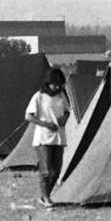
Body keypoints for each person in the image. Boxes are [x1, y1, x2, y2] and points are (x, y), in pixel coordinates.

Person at [24, 67, 71, 209]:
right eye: (54, 84)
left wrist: (64, 118)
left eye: (59, 84)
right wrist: (45, 124)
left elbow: (67, 111)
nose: (56, 87)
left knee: (56, 171)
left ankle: (46, 196)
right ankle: (45, 198)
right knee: (46, 171)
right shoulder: (38, 96)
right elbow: (28, 116)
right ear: (48, 83)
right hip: (43, 138)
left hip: (58, 137)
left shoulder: (61, 96)